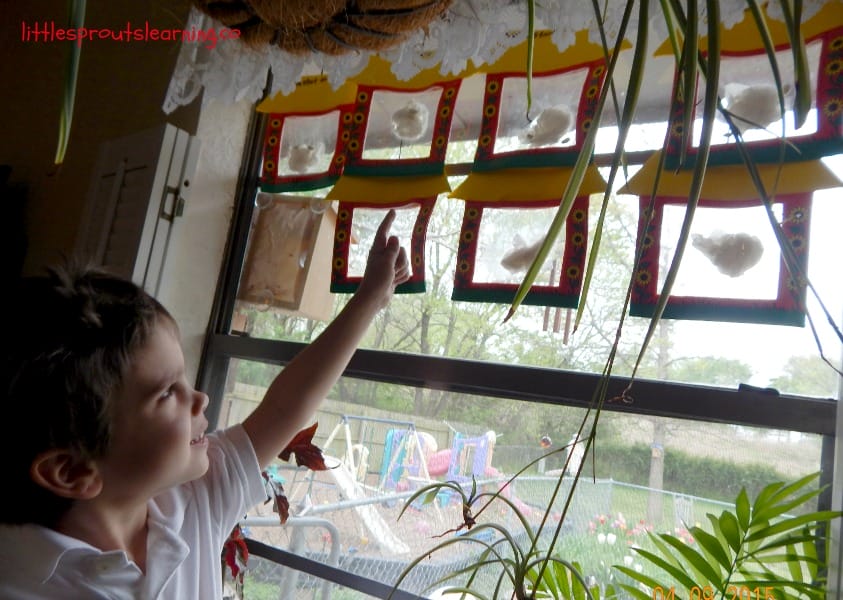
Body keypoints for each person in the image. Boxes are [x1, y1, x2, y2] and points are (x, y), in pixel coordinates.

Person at [0, 210, 410, 599]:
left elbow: (285, 408)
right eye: (166, 393)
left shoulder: (191, 499)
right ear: (72, 471)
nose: (199, 398)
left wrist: (370, 297)